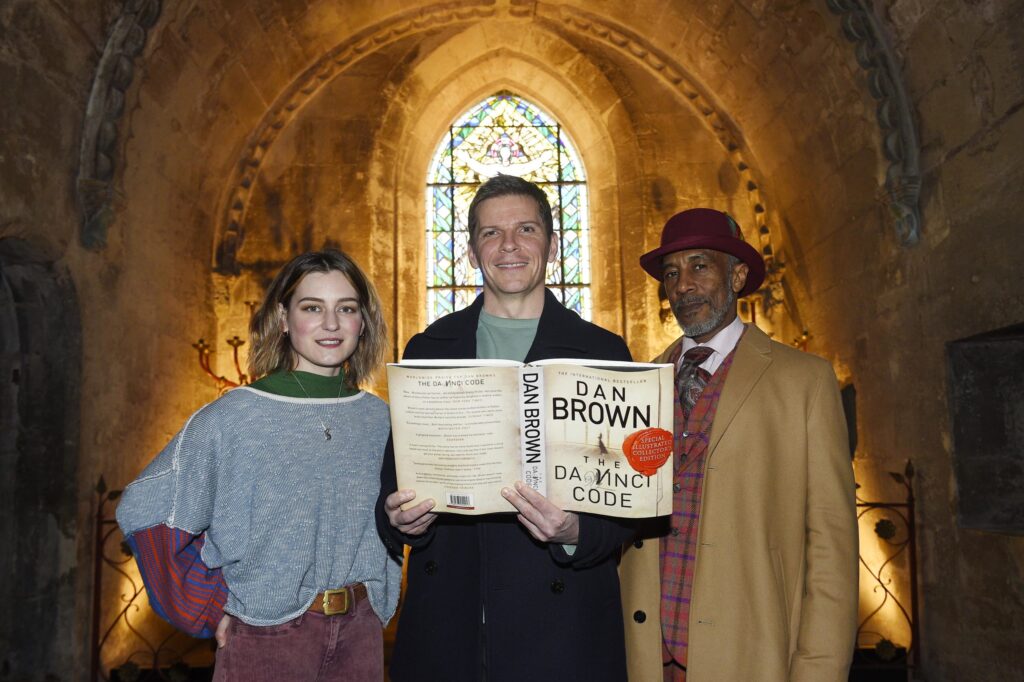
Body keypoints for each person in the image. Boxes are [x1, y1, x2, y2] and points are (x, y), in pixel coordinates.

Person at [377, 175, 635, 681]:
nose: (510, 246)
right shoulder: (429, 349)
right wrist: (400, 518)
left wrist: (575, 531)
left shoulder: (604, 352)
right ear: (471, 252)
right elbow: (392, 487)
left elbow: (630, 505)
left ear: (553, 245)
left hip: (563, 628)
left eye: (526, 229)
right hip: (449, 626)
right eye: (491, 234)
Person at [117, 249, 401, 681]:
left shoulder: (380, 418)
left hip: (361, 632)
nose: (331, 324)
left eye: (346, 308)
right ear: (284, 319)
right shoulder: (236, 416)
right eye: (312, 308)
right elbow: (146, 505)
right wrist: (206, 605)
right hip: (268, 636)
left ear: (363, 322)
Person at [620, 209, 858, 681]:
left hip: (752, 655)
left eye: (699, 266)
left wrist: (819, 671)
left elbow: (831, 544)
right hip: (644, 656)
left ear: (739, 275)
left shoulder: (804, 381)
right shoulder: (635, 386)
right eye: (671, 273)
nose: (683, 285)